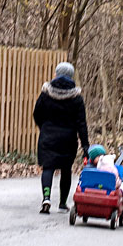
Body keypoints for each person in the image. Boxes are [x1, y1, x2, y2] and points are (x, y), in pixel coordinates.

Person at [32, 61, 89, 214]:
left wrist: (43, 126)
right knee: (65, 169)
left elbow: (37, 113)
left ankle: (46, 197)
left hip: (48, 135)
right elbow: (81, 123)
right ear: (71, 76)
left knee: (48, 167)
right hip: (68, 138)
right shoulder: (76, 97)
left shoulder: (46, 93)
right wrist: (85, 145)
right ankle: (63, 203)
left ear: (56, 74)